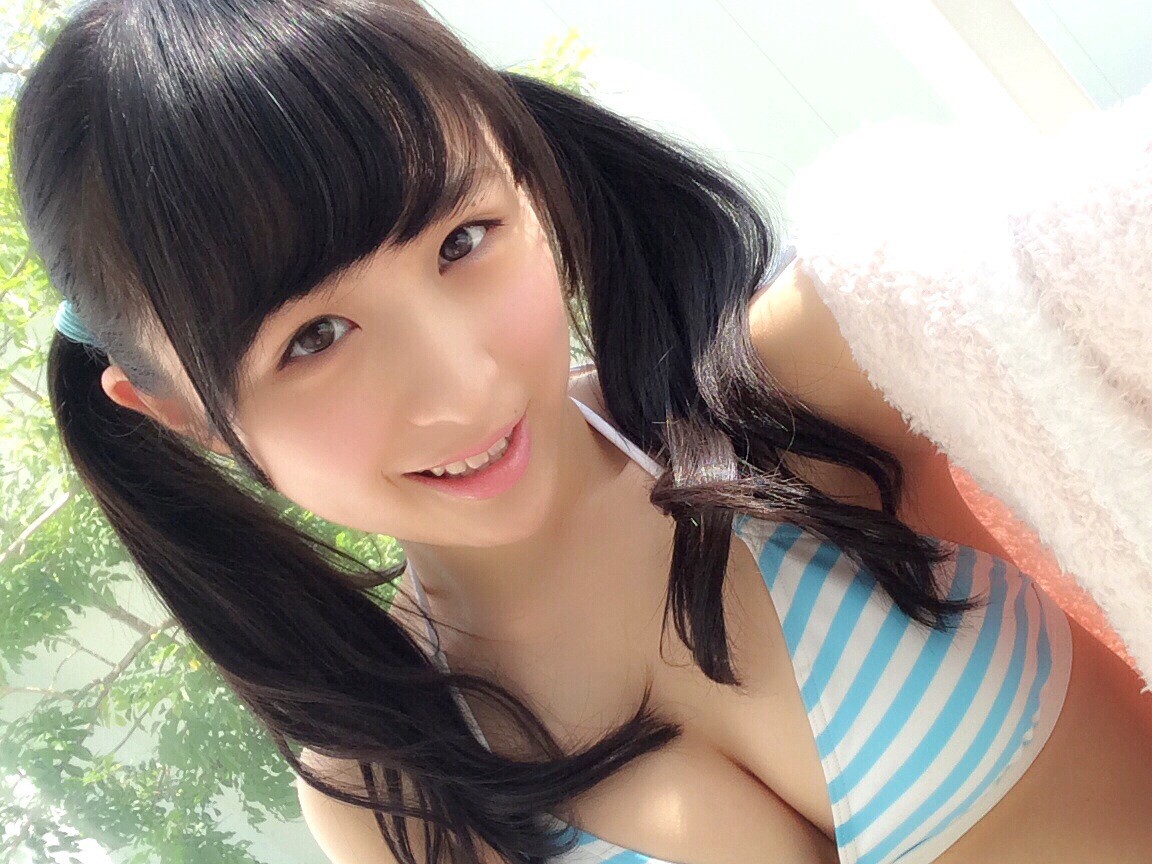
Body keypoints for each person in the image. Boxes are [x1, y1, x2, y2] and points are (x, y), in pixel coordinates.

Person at [12, 1, 1152, 863]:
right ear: (180, 415)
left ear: (531, 179)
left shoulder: (783, 386)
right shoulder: (385, 786)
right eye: (314, 337)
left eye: (464, 241)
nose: (463, 384)